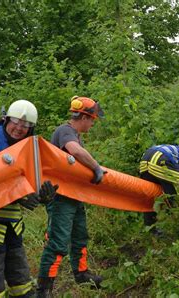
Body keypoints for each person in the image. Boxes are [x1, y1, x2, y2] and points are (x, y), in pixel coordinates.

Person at [0, 99, 58, 298]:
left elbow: (31, 181)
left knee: (21, 281)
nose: (19, 128)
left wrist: (42, 196)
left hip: (12, 224)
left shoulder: (28, 146)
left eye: (25, 125)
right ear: (5, 119)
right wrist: (18, 196)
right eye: (16, 122)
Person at [36, 96, 105, 297]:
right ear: (83, 117)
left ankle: (82, 274)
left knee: (80, 236)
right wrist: (96, 168)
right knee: (58, 242)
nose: (93, 123)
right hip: (61, 197)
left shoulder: (73, 133)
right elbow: (75, 151)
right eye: (92, 119)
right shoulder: (65, 131)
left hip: (73, 196)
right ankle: (44, 290)